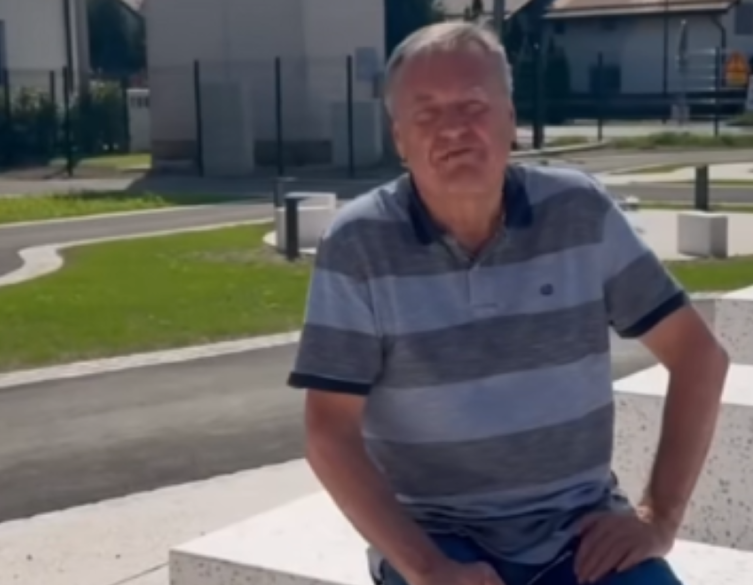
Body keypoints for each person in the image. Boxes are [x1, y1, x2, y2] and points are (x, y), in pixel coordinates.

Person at [289, 21, 729, 585]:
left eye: (473, 105)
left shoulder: (579, 213)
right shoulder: (358, 244)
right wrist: (428, 568)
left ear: (510, 121)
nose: (454, 128)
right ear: (399, 139)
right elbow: (329, 431)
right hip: (436, 535)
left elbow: (700, 358)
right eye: (427, 113)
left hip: (580, 529)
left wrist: (659, 518)